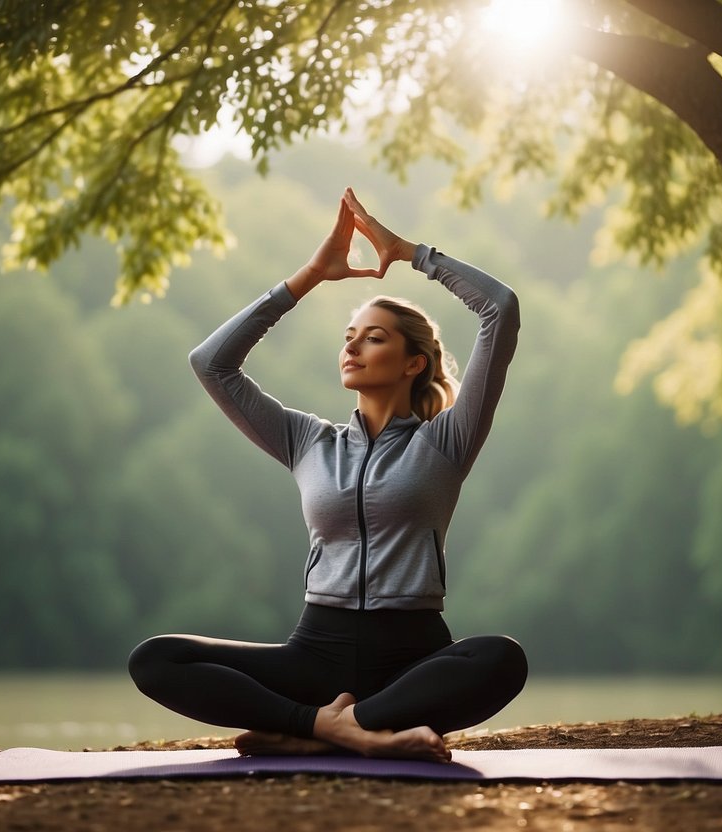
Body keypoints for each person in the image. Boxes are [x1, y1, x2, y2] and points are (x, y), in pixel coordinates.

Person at [129, 188, 526, 762]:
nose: (353, 347)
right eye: (348, 337)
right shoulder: (308, 441)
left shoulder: (447, 441)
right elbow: (210, 362)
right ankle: (332, 727)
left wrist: (410, 252)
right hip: (315, 654)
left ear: (415, 362)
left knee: (501, 657)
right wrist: (310, 276)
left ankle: (327, 728)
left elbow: (501, 307)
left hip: (412, 660)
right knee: (156, 658)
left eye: (374, 336)